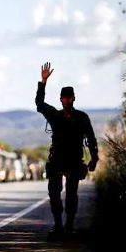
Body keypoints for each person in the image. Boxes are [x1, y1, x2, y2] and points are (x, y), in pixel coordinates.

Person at [35, 62, 99, 241]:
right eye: (64, 97)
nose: (67, 100)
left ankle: (69, 227)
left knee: (71, 194)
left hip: (73, 160)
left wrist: (94, 159)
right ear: (61, 99)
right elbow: (39, 103)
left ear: (73, 99)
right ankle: (59, 226)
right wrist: (43, 82)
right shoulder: (55, 116)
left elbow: (91, 139)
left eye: (69, 97)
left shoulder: (82, 117)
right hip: (57, 160)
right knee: (54, 194)